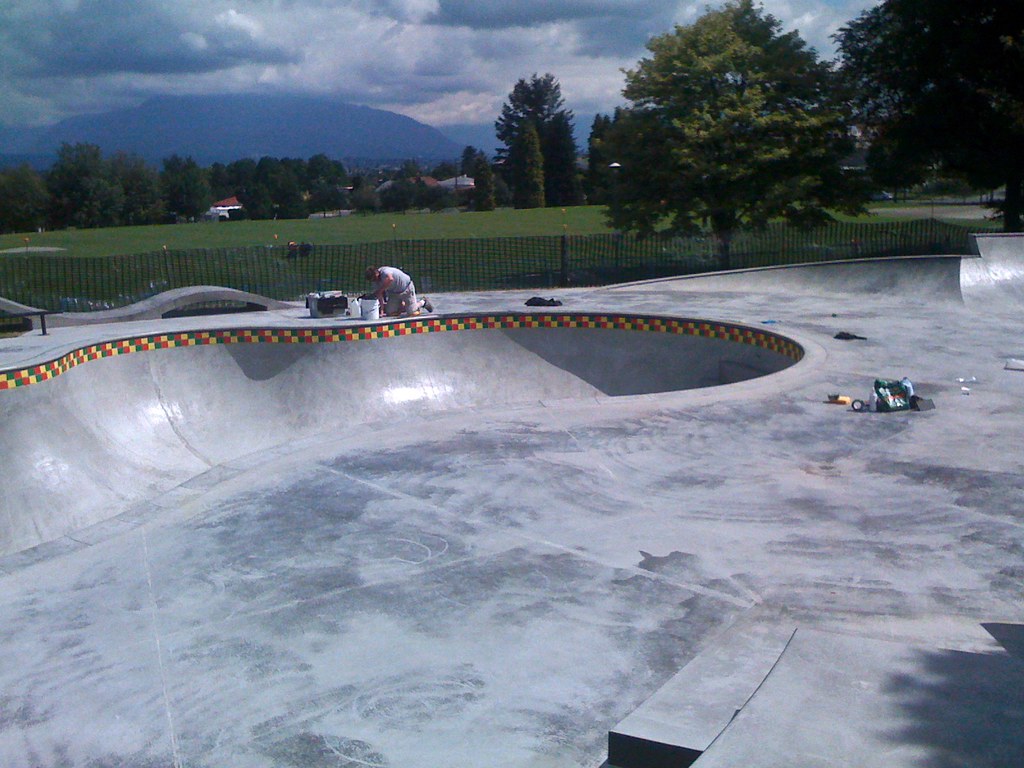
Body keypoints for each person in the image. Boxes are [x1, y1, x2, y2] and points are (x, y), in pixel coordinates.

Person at [365, 266, 434, 317]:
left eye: (375, 278)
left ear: (377, 273)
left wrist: (381, 290)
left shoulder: (385, 271)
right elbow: (380, 296)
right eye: (372, 280)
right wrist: (382, 311)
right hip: (394, 293)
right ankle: (403, 305)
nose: (375, 280)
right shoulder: (375, 282)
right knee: (391, 312)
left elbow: (390, 279)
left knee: (412, 313)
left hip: (407, 289)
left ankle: (423, 302)